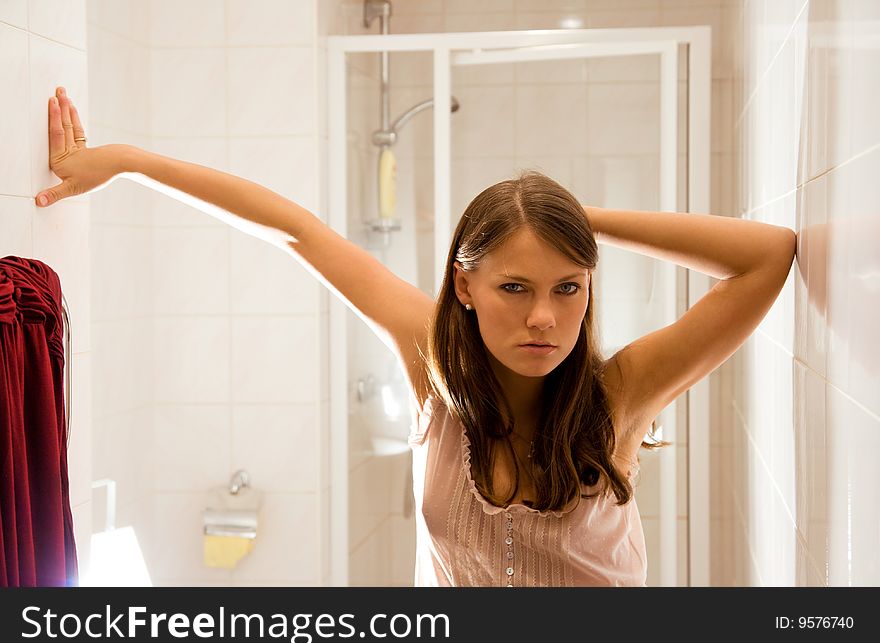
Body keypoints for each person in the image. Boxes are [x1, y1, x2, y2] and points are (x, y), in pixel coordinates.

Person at [38, 86, 797, 587]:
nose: (545, 317)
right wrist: (132, 163)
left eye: (568, 287)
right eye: (514, 287)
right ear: (464, 287)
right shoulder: (432, 363)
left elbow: (768, 254)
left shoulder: (620, 394)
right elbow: (298, 232)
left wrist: (580, 222)